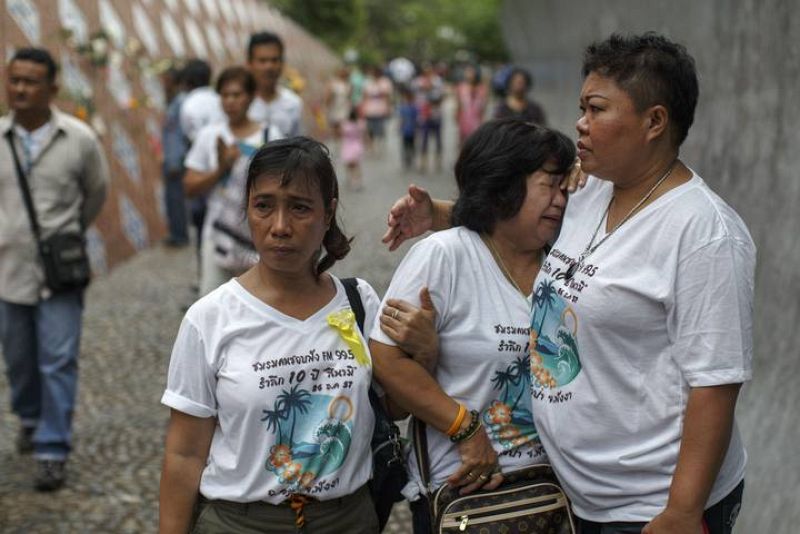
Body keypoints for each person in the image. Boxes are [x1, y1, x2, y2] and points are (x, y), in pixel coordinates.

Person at [382, 32, 754, 534]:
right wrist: (442, 214)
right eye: (581, 107)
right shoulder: (590, 190)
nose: (579, 123)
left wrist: (683, 511)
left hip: (650, 507)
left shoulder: (703, 233)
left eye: (596, 109)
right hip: (575, 498)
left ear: (654, 122)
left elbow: (715, 383)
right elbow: (518, 218)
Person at [160, 137, 382, 534]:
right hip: (240, 523)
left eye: (299, 207)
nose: (280, 227)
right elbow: (184, 454)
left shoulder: (359, 303)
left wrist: (425, 350)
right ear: (247, 208)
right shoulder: (209, 319)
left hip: (348, 520)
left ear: (328, 213)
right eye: (264, 206)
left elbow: (391, 408)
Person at [369, 119, 576, 533]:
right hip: (466, 493)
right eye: (548, 186)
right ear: (504, 188)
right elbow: (386, 360)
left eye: (564, 186)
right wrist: (464, 428)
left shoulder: (566, 261)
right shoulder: (445, 255)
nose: (561, 200)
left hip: (557, 493)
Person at [0, 47, 109, 491]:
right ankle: (29, 418)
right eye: (14, 80)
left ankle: (52, 448)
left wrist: (65, 238)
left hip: (61, 273)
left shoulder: (79, 139)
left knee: (59, 360)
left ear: (52, 88)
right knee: (19, 360)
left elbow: (96, 193)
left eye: (30, 81)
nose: (19, 89)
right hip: (7, 271)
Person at [183, 66, 283, 296]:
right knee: (211, 302)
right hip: (217, 233)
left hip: (261, 236)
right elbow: (189, 187)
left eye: (236, 95)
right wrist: (221, 169)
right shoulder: (209, 136)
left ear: (250, 97)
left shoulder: (271, 136)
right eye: (225, 95)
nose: (230, 101)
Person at [247, 31, 303, 137]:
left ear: (282, 63)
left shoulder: (293, 104)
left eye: (274, 60)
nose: (269, 67)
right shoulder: (239, 103)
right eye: (262, 61)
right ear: (249, 64)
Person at [160, 64, 190, 247]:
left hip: (177, 160)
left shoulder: (181, 103)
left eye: (166, 80)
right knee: (172, 198)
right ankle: (177, 232)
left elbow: (182, 133)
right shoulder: (173, 102)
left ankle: (180, 235)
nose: (163, 84)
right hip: (171, 158)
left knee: (176, 198)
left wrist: (177, 159)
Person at [412, 63, 445, 173]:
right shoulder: (418, 82)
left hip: (436, 113)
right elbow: (415, 96)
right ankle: (423, 162)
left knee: (438, 138)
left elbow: (441, 96)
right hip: (424, 114)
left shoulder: (437, 81)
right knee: (423, 138)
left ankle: (438, 161)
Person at [454, 64, 487, 146]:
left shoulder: (482, 89)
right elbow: (458, 105)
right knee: (463, 145)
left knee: (475, 145)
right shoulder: (460, 87)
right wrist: (456, 116)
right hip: (464, 121)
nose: (470, 74)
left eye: (472, 71)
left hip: (477, 122)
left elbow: (483, 108)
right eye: (468, 71)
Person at [361, 65, 393, 151]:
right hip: (369, 108)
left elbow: (387, 96)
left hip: (381, 108)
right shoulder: (367, 82)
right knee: (370, 127)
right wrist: (363, 107)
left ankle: (378, 143)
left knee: (379, 127)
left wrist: (388, 107)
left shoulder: (385, 82)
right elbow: (364, 95)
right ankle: (371, 144)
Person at [340, 108, 366, 191]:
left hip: (348, 146)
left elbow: (341, 134)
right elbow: (363, 134)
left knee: (349, 166)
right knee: (357, 166)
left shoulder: (346, 125)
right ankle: (358, 181)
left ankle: (351, 180)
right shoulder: (360, 124)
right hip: (357, 146)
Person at [325, 66, 351, 139]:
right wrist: (327, 105)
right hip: (334, 106)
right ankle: (335, 139)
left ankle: (340, 140)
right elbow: (328, 95)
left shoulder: (348, 84)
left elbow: (349, 97)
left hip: (343, 106)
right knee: (334, 124)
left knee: (342, 125)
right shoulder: (333, 83)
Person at [397, 86, 418, 170]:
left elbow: (416, 119)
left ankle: (410, 158)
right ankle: (406, 159)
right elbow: (401, 119)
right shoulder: (403, 107)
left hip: (411, 130)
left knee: (411, 145)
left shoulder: (413, 107)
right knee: (406, 145)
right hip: (406, 130)